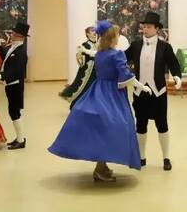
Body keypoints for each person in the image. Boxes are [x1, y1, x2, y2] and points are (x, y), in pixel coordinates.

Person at [48, 21, 152, 182]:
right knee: (117, 126)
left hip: (97, 91)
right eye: (117, 35)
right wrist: (142, 86)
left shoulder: (100, 54)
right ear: (112, 38)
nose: (118, 37)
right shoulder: (117, 54)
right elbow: (125, 76)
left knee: (101, 127)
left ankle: (101, 166)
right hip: (112, 94)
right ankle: (100, 168)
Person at [125, 11, 182, 171]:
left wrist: (177, 76)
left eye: (149, 27)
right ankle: (141, 157)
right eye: (144, 26)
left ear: (157, 29)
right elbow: (122, 58)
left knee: (162, 124)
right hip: (140, 92)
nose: (145, 29)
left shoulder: (165, 47)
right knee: (140, 125)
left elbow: (174, 64)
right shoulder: (136, 45)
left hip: (159, 92)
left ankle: (166, 157)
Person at [0, 22, 29, 150]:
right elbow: (6, 58)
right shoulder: (14, 47)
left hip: (15, 85)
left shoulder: (21, 52)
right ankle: (19, 138)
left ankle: (21, 140)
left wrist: (2, 75)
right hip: (10, 84)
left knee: (14, 112)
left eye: (14, 34)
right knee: (13, 111)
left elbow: (17, 72)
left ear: (21, 36)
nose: (11, 35)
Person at [59, 26, 97, 100]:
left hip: (96, 69)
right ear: (87, 34)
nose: (94, 32)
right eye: (92, 31)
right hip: (87, 69)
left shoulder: (97, 44)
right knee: (82, 85)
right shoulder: (85, 44)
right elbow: (81, 57)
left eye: (95, 31)